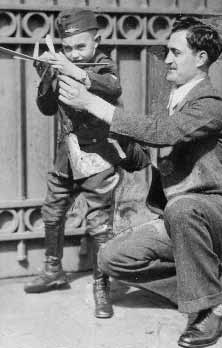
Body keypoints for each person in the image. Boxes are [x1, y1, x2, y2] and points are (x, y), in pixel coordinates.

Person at [56, 16, 222, 347]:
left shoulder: (211, 104)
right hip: (182, 217)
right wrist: (109, 141)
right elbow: (148, 156)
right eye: (166, 53)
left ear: (201, 58)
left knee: (182, 208)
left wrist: (94, 104)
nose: (167, 60)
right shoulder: (174, 102)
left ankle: (209, 310)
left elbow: (162, 133)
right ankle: (201, 275)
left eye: (175, 52)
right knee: (110, 258)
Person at [24, 8, 127, 319]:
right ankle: (53, 271)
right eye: (68, 48)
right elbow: (45, 108)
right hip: (65, 158)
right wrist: (45, 75)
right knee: (51, 212)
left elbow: (113, 87)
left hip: (98, 159)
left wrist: (75, 70)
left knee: (99, 226)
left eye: (81, 47)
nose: (74, 53)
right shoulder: (61, 64)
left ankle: (101, 286)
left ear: (96, 41)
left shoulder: (104, 64)